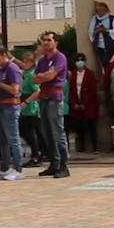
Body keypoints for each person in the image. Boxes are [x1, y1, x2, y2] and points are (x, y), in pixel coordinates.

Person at [31, 31, 71, 178]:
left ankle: (64, 165)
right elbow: (34, 79)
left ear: (56, 42)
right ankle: (54, 163)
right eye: (44, 40)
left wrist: (44, 76)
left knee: (57, 132)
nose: (46, 43)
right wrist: (43, 76)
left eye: (49, 40)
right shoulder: (42, 61)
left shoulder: (60, 58)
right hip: (44, 97)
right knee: (47, 132)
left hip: (55, 97)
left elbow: (51, 75)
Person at [0, 47, 25, 180]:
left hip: (11, 106)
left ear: (4, 55)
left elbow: (14, 89)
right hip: (1, 105)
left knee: (13, 138)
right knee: (2, 140)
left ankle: (18, 168)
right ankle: (4, 168)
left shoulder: (12, 69)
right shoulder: (0, 69)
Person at [68, 53, 100, 154]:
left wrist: (84, 104)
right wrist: (75, 104)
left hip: (89, 105)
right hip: (76, 104)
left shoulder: (90, 74)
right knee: (79, 126)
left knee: (91, 126)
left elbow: (92, 90)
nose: (79, 62)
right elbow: (72, 90)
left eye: (81, 60)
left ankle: (95, 147)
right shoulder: (73, 74)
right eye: (77, 60)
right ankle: (81, 147)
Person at [88, 2, 114, 70]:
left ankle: (110, 75)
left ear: (106, 10)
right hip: (99, 46)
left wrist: (105, 30)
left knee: (105, 62)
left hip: (110, 44)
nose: (101, 13)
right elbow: (90, 32)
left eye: (102, 11)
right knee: (104, 64)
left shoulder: (112, 18)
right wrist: (95, 32)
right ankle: (108, 76)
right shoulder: (94, 19)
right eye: (99, 11)